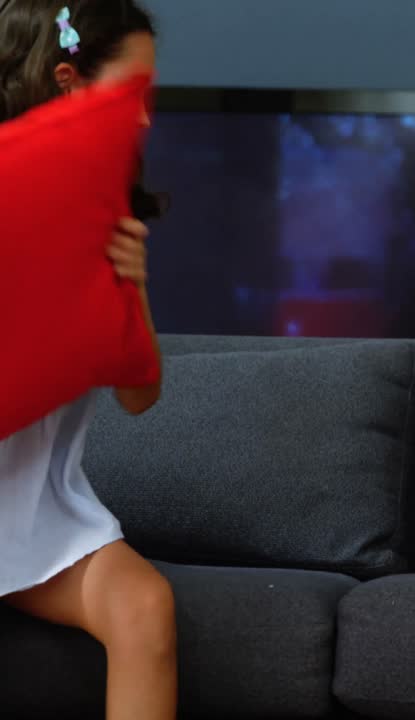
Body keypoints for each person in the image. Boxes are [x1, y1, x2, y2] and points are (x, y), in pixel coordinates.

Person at [0, 2, 176, 719]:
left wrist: (131, 290)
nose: (142, 119)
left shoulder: (111, 220)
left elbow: (140, 397)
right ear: (69, 82)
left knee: (144, 606)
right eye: (132, 95)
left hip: (36, 514)